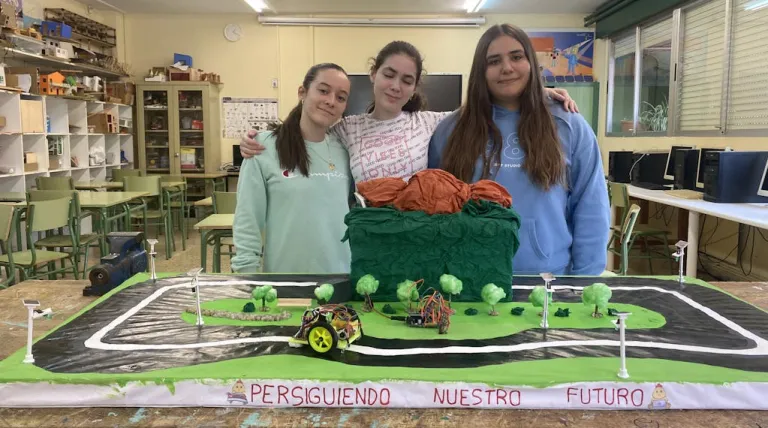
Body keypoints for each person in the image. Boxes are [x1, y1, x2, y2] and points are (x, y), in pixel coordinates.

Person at [239, 41, 578, 185]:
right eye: (389, 75)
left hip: (419, 241)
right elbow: (310, 123)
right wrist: (258, 139)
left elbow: (483, 103)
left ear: (415, 87)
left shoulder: (431, 123)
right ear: (374, 74)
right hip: (366, 243)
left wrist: (536, 91)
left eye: (406, 80)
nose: (395, 87)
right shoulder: (348, 128)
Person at [428, 24, 609, 276]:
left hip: (548, 280)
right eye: (494, 61)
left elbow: (591, 207)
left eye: (516, 57)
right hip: (468, 277)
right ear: (481, 71)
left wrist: (584, 281)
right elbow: (436, 211)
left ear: (531, 63)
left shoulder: (569, 125)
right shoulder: (450, 130)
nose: (507, 68)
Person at [231, 63, 353, 274]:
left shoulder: (346, 150)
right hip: (285, 280)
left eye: (340, 97)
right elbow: (247, 220)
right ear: (302, 92)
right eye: (323, 91)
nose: (331, 101)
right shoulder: (263, 147)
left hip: (340, 279)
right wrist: (246, 275)